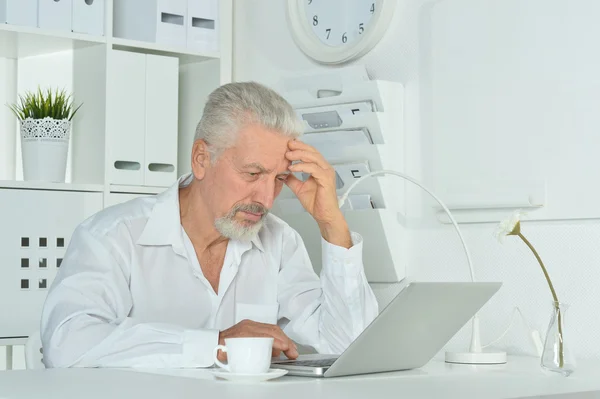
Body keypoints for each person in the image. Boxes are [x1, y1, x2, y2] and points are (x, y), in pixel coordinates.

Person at [40, 82, 379, 368]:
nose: (265, 197)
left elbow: (348, 346)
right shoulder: (112, 236)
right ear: (202, 159)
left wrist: (332, 224)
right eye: (252, 173)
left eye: (278, 178)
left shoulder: (280, 242)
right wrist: (215, 345)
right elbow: (67, 342)